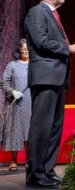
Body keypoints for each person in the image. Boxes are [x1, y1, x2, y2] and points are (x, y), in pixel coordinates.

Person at [24, 0, 75, 188]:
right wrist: (69, 48)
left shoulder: (52, 14)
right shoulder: (37, 12)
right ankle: (36, 173)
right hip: (45, 77)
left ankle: (48, 171)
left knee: (54, 127)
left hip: (57, 78)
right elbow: (41, 41)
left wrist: (68, 48)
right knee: (42, 126)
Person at [1, 39, 31, 171]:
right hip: (16, 102)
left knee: (29, 132)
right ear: (19, 50)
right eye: (23, 49)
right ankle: (13, 160)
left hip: (31, 102)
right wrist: (12, 91)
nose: (26, 51)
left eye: (28, 49)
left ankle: (30, 161)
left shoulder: (34, 65)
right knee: (15, 131)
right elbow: (4, 83)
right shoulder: (12, 65)